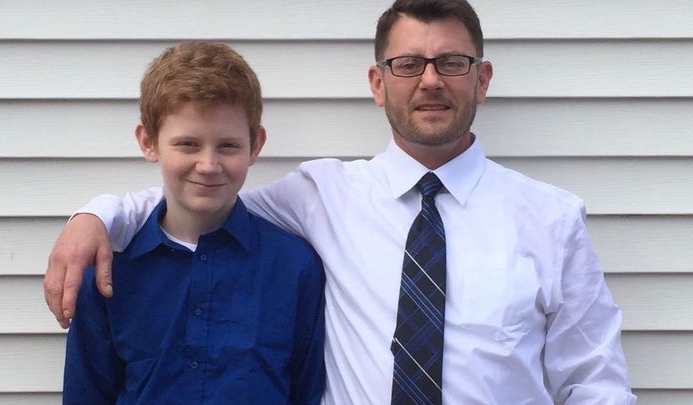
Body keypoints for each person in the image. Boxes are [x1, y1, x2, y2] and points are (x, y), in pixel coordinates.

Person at [47, 1, 636, 403]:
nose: (430, 80)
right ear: (378, 84)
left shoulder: (552, 220)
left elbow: (595, 382)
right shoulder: (323, 194)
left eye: (452, 63)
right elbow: (204, 194)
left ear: (481, 79)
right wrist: (94, 216)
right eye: (408, 64)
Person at [61, 41, 325, 404]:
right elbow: (87, 393)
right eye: (187, 144)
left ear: (255, 145)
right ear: (148, 142)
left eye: (228, 146)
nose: (208, 165)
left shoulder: (295, 267)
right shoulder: (108, 270)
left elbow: (307, 391)